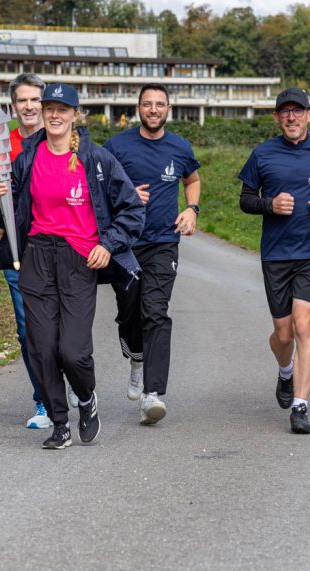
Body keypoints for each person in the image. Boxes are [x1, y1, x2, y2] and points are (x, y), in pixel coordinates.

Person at [0, 83, 144, 449]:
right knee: (41, 347)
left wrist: (107, 245)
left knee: (72, 351)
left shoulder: (97, 159)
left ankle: (86, 400)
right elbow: (6, 219)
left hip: (79, 259)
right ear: (42, 113)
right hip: (36, 256)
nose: (54, 115)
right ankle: (60, 423)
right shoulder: (26, 157)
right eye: (49, 108)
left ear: (76, 115)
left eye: (63, 109)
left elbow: (132, 210)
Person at [238, 87, 310, 434]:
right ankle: (285, 372)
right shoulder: (263, 153)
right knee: (283, 334)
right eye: (284, 112)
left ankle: (300, 406)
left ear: (309, 115)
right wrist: (269, 205)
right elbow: (245, 199)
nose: (291, 117)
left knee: (305, 326)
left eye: (297, 111)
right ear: (276, 117)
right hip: (276, 255)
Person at [103, 83, 201, 426]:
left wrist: (192, 209)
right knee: (129, 313)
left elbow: (192, 179)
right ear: (138, 108)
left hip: (163, 242)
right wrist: (126, 196)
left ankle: (152, 395)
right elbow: (98, 190)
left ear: (168, 109)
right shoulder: (117, 146)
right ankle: (135, 357)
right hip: (124, 244)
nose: (154, 109)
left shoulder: (180, 147)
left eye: (160, 104)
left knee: (156, 312)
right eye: (148, 104)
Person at [0, 72, 53, 430]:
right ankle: (43, 400)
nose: (29, 106)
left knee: (58, 326)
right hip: (17, 248)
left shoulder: (57, 140)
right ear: (13, 107)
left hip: (58, 248)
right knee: (28, 330)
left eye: (34, 100)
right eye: (22, 101)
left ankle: (67, 382)